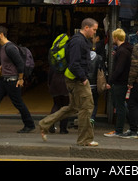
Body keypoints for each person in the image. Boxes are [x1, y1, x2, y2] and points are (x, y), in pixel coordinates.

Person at [39, 18, 99, 147]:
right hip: (77, 80)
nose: (95, 32)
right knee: (87, 108)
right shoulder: (78, 42)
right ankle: (85, 139)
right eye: (94, 29)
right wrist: (83, 79)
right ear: (86, 28)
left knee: (72, 108)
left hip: (74, 79)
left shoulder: (79, 40)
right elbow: (74, 64)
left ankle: (44, 124)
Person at [0, 26, 35, 133]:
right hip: (4, 80)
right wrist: (0, 68)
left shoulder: (10, 48)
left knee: (18, 103)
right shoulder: (3, 47)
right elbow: (8, 61)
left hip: (12, 80)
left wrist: (20, 79)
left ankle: (29, 124)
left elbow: (20, 63)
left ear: (1, 35)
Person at [104, 28, 132, 137]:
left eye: (113, 37)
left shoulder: (122, 51)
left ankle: (119, 130)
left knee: (119, 106)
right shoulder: (126, 49)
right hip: (123, 81)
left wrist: (110, 81)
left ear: (116, 38)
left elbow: (119, 69)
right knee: (121, 105)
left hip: (120, 82)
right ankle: (132, 122)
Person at [47, 65, 69, 134]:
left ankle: (51, 123)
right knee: (65, 106)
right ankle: (63, 129)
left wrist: (49, 84)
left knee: (56, 104)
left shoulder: (54, 60)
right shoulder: (68, 59)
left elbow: (50, 75)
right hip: (66, 84)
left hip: (55, 83)